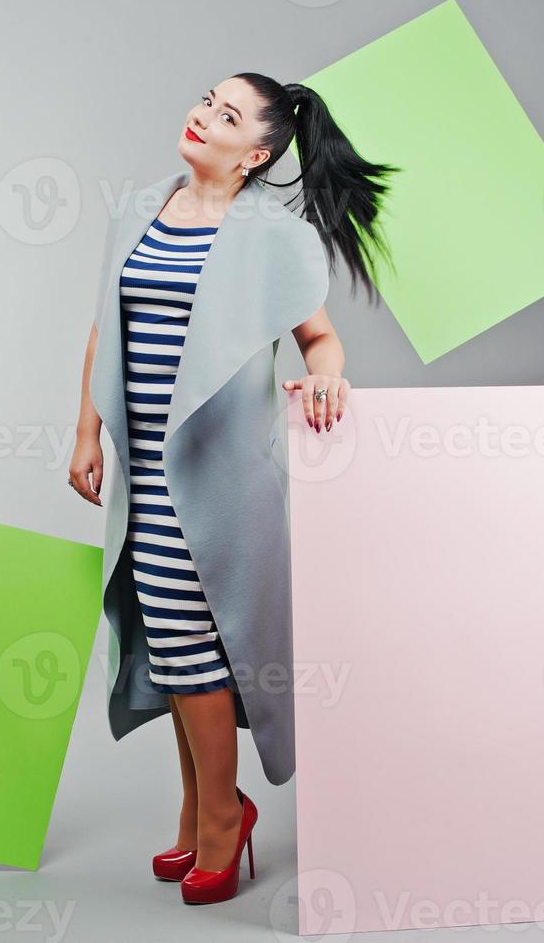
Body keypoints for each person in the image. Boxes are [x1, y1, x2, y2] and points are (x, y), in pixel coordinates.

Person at [68, 73, 398, 904]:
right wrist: (86, 430)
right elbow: (107, 326)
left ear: (254, 154)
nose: (201, 115)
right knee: (176, 647)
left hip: (218, 472)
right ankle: (200, 807)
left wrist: (330, 380)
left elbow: (320, 339)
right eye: (204, 99)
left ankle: (224, 817)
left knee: (191, 648)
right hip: (145, 467)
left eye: (225, 115)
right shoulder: (138, 207)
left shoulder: (270, 237)